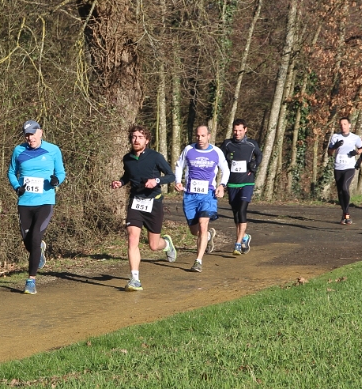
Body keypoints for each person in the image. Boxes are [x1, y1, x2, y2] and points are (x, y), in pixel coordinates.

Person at [110, 125, 177, 291]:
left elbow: (171, 176)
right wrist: (121, 182)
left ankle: (167, 244)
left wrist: (156, 181)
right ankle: (135, 279)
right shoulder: (127, 158)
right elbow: (128, 175)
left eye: (140, 137)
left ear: (146, 140)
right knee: (132, 238)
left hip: (153, 202)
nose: (136, 140)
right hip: (136, 202)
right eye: (134, 137)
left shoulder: (155, 157)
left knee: (153, 245)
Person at [8, 120, 66, 294]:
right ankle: (39, 248)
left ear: (40, 132)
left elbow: (61, 172)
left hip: (45, 202)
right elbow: (11, 172)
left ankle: (31, 281)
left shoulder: (53, 150)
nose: (30, 138)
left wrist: (56, 181)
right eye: (27, 135)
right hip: (25, 202)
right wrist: (17, 186)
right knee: (28, 242)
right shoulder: (18, 150)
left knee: (34, 237)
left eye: (32, 134)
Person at [175, 125, 229, 273]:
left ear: (209, 136)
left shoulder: (216, 152)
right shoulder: (189, 150)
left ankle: (198, 261)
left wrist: (222, 185)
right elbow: (179, 166)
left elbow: (226, 170)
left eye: (203, 136)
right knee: (195, 231)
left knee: (203, 223)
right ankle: (209, 235)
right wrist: (178, 181)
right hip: (190, 195)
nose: (200, 138)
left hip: (208, 194)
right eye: (197, 136)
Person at [219, 120, 262, 254]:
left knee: (242, 210)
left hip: (247, 182)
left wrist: (254, 166)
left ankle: (237, 243)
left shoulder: (251, 144)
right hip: (232, 183)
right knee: (236, 213)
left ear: (245, 130)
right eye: (235, 130)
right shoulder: (227, 144)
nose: (237, 133)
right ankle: (244, 237)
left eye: (240, 130)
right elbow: (219, 159)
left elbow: (259, 155)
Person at [328, 117, 362, 225]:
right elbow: (329, 153)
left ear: (349, 125)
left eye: (345, 124)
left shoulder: (355, 137)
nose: (343, 126)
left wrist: (356, 152)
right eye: (341, 124)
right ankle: (345, 214)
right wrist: (334, 147)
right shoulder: (335, 136)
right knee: (340, 191)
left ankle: (347, 213)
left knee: (345, 187)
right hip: (338, 167)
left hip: (349, 167)